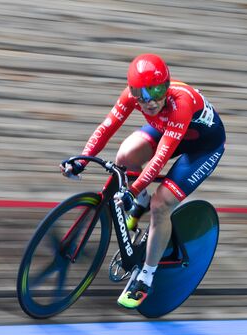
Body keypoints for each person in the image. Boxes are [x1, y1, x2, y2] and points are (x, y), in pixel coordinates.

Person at [60, 53, 226, 309]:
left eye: (156, 91)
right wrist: (81, 161)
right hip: (168, 127)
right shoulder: (135, 98)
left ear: (167, 86)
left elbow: (161, 157)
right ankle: (140, 204)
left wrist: (134, 187)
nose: (148, 102)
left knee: (162, 203)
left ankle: (146, 275)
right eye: (141, 94)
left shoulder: (179, 102)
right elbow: (107, 127)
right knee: (124, 157)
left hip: (203, 146)